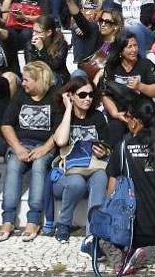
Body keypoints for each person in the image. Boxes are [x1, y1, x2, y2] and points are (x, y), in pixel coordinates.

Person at [99, 97, 155, 273]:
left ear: (136, 121)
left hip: (135, 228)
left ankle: (131, 250)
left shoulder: (123, 148)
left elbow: (111, 190)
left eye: (127, 116)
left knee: (115, 212)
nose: (126, 120)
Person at [0, 61, 59, 242]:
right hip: (22, 143)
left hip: (45, 145)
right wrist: (17, 147)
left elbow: (59, 130)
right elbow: (6, 124)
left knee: (39, 166)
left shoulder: (54, 96)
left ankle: (33, 219)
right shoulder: (20, 96)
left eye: (26, 80)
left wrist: (44, 149)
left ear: (39, 80)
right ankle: (7, 219)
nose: (22, 83)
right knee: (14, 164)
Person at [49, 77, 110, 243]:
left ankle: (93, 232)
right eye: (82, 95)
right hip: (67, 173)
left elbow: (107, 144)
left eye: (90, 95)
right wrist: (68, 109)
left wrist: (103, 150)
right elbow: (60, 141)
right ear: (71, 96)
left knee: (101, 177)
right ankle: (64, 223)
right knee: (77, 182)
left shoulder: (97, 116)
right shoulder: (62, 115)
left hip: (93, 166)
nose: (88, 99)